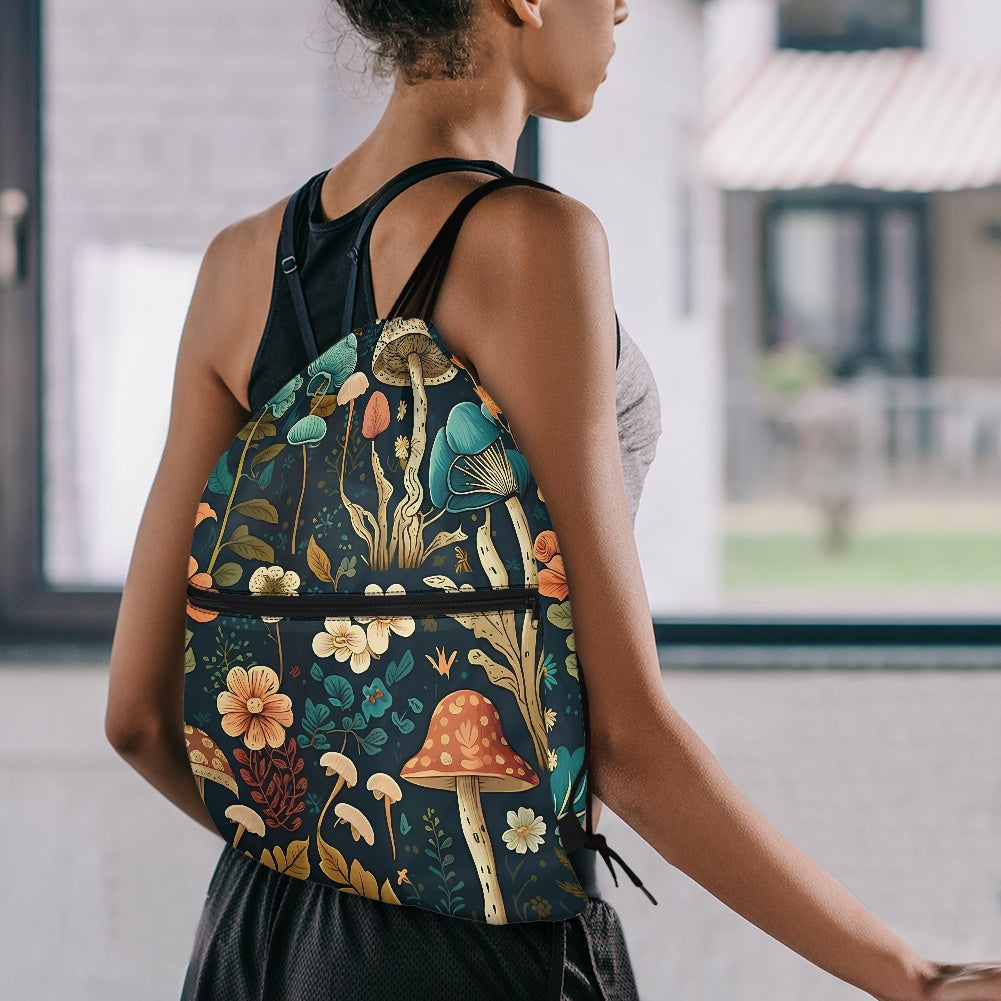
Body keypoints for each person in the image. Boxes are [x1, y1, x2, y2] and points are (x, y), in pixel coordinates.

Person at [105, 0, 1001, 998]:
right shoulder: (534, 239)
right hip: (470, 946)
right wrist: (911, 976)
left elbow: (138, 716)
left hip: (252, 932)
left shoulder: (237, 264)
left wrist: (330, 850)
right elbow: (623, 741)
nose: (622, 7)